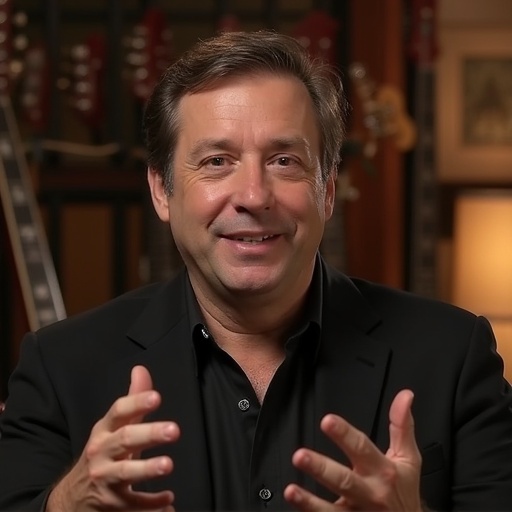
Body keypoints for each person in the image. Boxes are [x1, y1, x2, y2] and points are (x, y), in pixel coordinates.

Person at [0, 30, 512, 512]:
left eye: (285, 160)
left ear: (327, 189)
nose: (252, 196)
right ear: (162, 189)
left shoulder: (455, 355)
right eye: (217, 161)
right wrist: (65, 504)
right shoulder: (60, 368)